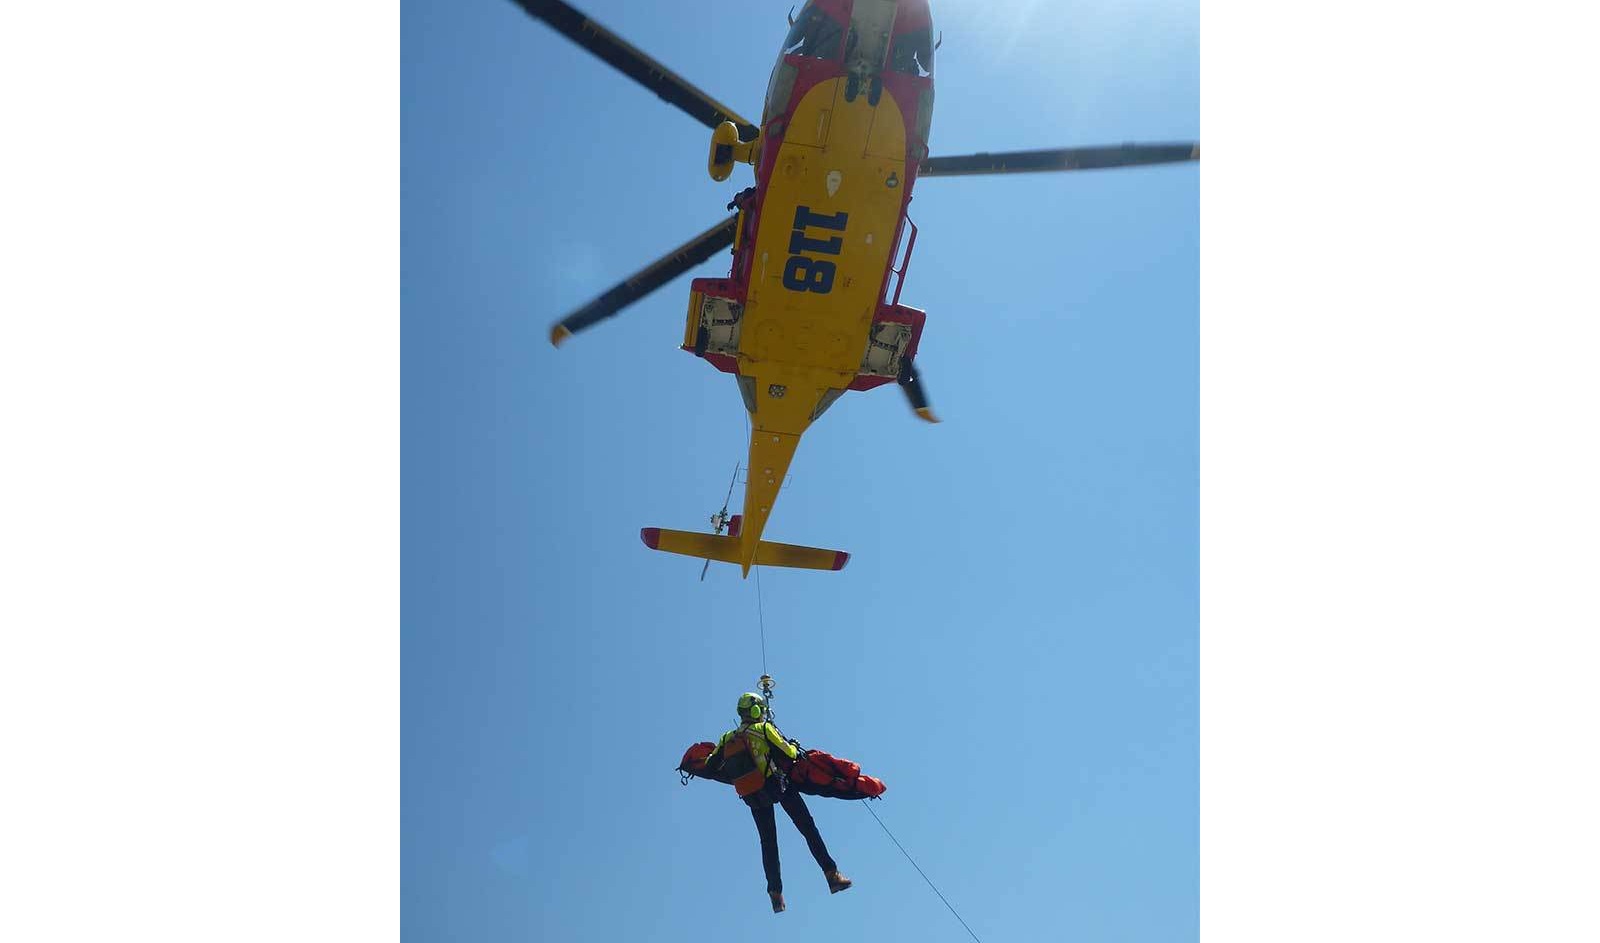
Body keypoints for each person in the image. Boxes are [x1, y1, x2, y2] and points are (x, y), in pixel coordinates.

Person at [704, 692, 852, 913]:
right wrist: (789, 745)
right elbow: (790, 753)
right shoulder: (764, 729)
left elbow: (710, 765)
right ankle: (832, 875)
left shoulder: (727, 738)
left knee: (768, 843)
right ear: (756, 711)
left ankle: (776, 893)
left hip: (752, 794)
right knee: (808, 829)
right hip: (778, 787)